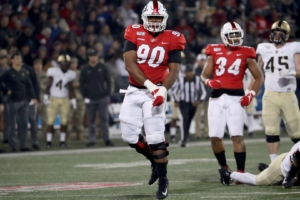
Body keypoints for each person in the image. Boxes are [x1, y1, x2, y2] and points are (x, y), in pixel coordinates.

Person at [119, 1, 186, 199]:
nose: (155, 22)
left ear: (164, 19)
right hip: (135, 90)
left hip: (156, 92)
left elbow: (174, 69)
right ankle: (155, 163)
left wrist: (162, 90)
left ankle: (164, 180)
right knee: (129, 136)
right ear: (144, 19)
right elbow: (130, 65)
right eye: (151, 18)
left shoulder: (173, 38)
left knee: (156, 137)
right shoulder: (133, 31)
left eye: (158, 18)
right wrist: (153, 87)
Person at [200, 22, 264, 179]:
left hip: (236, 98)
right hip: (216, 98)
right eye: (231, 35)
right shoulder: (213, 51)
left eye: (237, 35)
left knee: (236, 135)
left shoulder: (247, 52)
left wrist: (251, 94)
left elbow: (259, 77)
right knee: (215, 136)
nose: (235, 38)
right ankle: (224, 168)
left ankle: (241, 173)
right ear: (224, 36)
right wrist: (209, 82)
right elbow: (203, 76)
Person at [254, 20, 300, 163]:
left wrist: (291, 72)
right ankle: (274, 163)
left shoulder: (294, 47)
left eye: (281, 33)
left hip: (288, 94)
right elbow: (258, 71)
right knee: (271, 130)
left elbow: (299, 71)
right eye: (275, 33)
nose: (278, 36)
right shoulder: (263, 47)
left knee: (296, 131)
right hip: (270, 94)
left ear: (287, 35)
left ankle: (298, 162)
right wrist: (252, 91)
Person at [219, 141, 300, 188]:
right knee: (257, 180)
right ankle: (228, 174)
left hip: (288, 159)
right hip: (280, 168)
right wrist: (289, 179)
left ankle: (267, 169)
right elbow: (296, 160)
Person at [0, 51, 37, 152]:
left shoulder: (24, 72)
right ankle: (13, 145)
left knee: (24, 123)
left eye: (20, 58)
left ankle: (23, 145)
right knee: (12, 124)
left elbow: (29, 85)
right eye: (17, 58)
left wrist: (33, 97)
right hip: (12, 101)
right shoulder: (9, 73)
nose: (19, 60)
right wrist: (5, 90)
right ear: (12, 60)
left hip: (23, 101)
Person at [80, 47, 114, 147]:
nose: (92, 58)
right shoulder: (85, 69)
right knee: (91, 120)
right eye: (91, 56)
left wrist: (107, 94)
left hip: (102, 97)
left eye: (94, 56)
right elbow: (82, 84)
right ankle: (92, 140)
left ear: (97, 56)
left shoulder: (102, 67)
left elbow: (108, 81)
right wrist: (84, 96)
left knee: (104, 119)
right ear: (88, 57)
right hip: (90, 98)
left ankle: (107, 139)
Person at [44, 54, 76, 148]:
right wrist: (46, 96)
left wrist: (73, 99)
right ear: (59, 64)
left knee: (64, 121)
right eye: (63, 64)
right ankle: (48, 142)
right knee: (50, 121)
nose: (64, 65)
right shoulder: (53, 71)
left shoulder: (71, 74)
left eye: (66, 64)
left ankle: (62, 141)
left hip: (65, 98)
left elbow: (70, 88)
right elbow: (48, 84)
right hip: (53, 98)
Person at [171, 64, 206, 147]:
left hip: (193, 103)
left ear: (192, 72)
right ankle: (183, 139)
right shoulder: (181, 80)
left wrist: (199, 101)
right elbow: (174, 91)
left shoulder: (198, 80)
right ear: (185, 73)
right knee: (184, 119)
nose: (189, 74)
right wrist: (176, 100)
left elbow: (204, 92)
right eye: (187, 72)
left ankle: (185, 136)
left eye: (190, 72)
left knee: (189, 120)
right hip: (183, 103)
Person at [194, 53, 211, 139]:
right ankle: (198, 133)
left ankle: (207, 132)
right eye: (201, 61)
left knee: (207, 115)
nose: (202, 62)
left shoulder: (209, 69)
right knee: (198, 115)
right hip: (199, 97)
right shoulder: (195, 71)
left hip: (208, 95)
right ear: (198, 61)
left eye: (204, 60)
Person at [68, 57, 85, 141]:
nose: (73, 65)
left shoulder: (80, 73)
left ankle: (79, 134)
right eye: (71, 63)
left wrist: (76, 85)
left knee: (80, 117)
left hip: (79, 97)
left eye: (74, 63)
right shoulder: (66, 73)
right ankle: (67, 135)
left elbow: (83, 83)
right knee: (68, 117)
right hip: (69, 98)